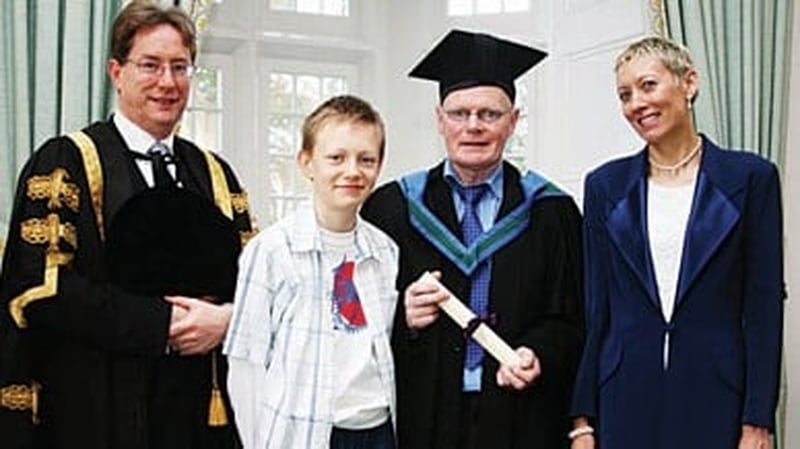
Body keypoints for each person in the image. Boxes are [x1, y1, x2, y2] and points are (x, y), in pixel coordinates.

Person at [0, 1, 255, 448]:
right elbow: (39, 287)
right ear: (116, 72)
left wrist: (228, 321)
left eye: (180, 67)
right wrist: (163, 325)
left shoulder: (215, 174)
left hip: (197, 415)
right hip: (99, 409)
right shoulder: (67, 161)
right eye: (150, 65)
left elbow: (256, 284)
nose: (167, 82)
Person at [360, 29, 584, 449]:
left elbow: (570, 320)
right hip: (423, 408)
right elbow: (355, 322)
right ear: (439, 119)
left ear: (513, 121)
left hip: (520, 412)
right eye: (460, 113)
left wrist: (538, 353)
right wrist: (401, 317)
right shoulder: (391, 208)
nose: (473, 127)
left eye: (489, 114)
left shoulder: (552, 212)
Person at [569, 36, 785, 449]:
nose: (636, 103)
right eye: (624, 95)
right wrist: (582, 420)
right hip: (624, 397)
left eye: (648, 85)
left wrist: (758, 419)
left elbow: (763, 306)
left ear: (689, 83)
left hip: (718, 395)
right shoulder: (604, 185)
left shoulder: (752, 178)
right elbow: (597, 309)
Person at [224, 94, 399, 449]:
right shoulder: (271, 251)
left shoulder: (385, 251)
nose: (352, 170)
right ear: (306, 162)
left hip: (377, 429)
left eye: (366, 159)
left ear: (379, 167)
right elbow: (247, 367)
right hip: (303, 433)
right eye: (336, 157)